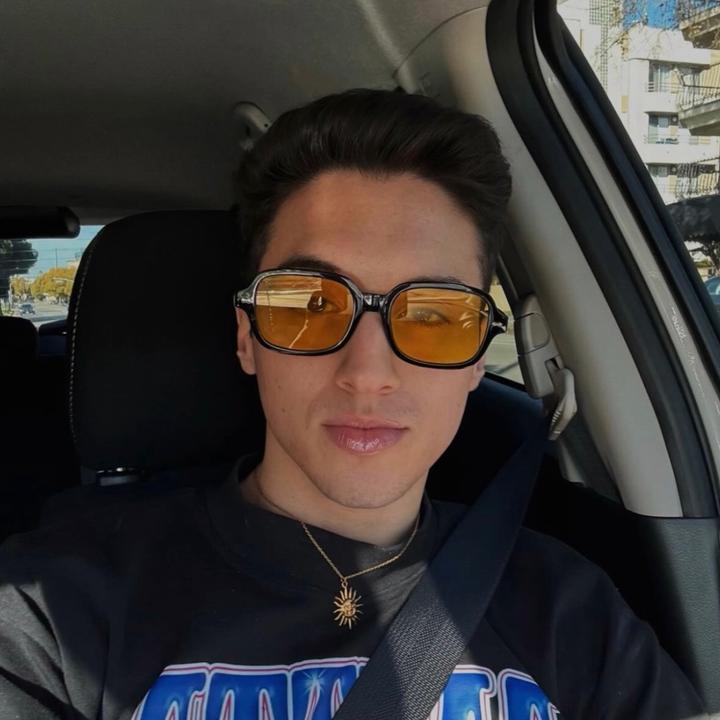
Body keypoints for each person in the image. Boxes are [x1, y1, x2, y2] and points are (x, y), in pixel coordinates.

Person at [0, 90, 708, 720]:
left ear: (476, 358)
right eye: (310, 304)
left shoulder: (571, 612)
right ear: (247, 338)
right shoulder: (53, 609)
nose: (367, 375)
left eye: (433, 314)